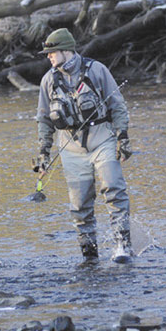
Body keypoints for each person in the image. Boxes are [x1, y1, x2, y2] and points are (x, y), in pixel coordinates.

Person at [34, 28, 133, 266]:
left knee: (114, 189)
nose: (48, 57)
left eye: (52, 52)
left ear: (67, 50)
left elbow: (117, 105)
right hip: (70, 149)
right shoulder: (48, 80)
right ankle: (89, 254)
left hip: (102, 140)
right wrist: (43, 153)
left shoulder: (97, 70)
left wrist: (123, 137)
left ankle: (122, 244)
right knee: (79, 205)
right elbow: (44, 119)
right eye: (47, 53)